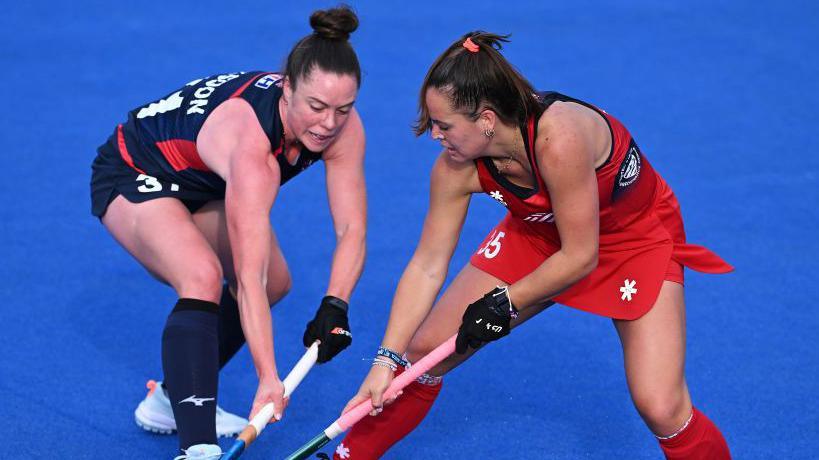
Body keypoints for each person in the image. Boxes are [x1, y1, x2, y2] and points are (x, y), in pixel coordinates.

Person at [336, 32, 733, 460]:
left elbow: (582, 255)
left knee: (661, 405)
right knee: (421, 355)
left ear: (486, 119)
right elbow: (428, 264)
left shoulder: (558, 139)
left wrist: (504, 301)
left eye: (444, 124)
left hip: (632, 238)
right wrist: (385, 360)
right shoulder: (455, 168)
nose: (435, 135)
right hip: (541, 233)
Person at [90, 5, 366, 459]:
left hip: (204, 181)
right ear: (287, 87)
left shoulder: (344, 130)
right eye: (316, 107)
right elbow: (248, 275)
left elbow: (352, 228)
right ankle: (196, 445)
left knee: (279, 282)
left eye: (343, 108)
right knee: (200, 275)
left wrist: (336, 303)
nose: (328, 123)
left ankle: (171, 398)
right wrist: (268, 378)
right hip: (135, 171)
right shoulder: (253, 149)